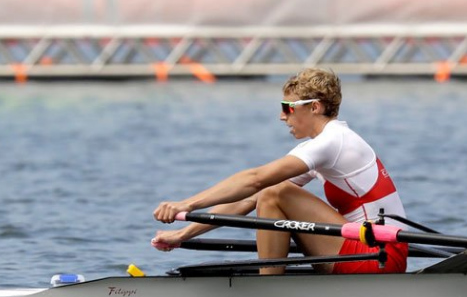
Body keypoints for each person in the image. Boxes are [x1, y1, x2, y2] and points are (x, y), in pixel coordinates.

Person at [152, 68, 407, 275]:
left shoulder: (334, 141)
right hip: (366, 249)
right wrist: (183, 235)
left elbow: (255, 180)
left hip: (380, 255)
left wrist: (184, 205)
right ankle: (271, 286)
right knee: (270, 192)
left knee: (275, 191)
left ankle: (269, 290)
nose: (282, 116)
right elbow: (248, 198)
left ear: (314, 107)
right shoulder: (320, 146)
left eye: (288, 107)